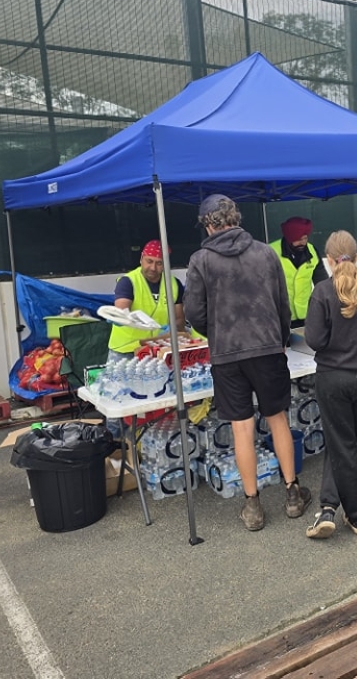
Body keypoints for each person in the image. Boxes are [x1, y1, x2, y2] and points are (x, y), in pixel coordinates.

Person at [185, 195, 311, 532]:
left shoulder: (201, 260)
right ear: (235, 218)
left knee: (241, 427)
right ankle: (293, 495)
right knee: (278, 419)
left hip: (228, 354)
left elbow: (195, 314)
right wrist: (279, 338)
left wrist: (217, 331)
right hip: (268, 348)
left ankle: (253, 506)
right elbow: (282, 305)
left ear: (208, 224)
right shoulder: (266, 253)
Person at [303, 231, 357, 539]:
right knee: (343, 442)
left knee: (342, 444)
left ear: (328, 259)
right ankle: (327, 506)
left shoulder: (323, 292)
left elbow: (314, 339)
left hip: (332, 376)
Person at [105, 239, 185, 437]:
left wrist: (174, 330)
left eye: (159, 263)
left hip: (155, 352)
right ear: (141, 259)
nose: (153, 267)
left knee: (153, 399)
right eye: (149, 261)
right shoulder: (129, 281)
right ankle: (114, 443)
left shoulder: (174, 284)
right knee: (118, 399)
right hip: (125, 351)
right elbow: (122, 308)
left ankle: (143, 440)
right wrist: (122, 317)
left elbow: (179, 318)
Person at [270, 216, 328, 328]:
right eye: (298, 239)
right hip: (280, 317)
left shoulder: (312, 251)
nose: (303, 242)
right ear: (289, 237)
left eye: (305, 238)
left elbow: (322, 283)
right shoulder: (271, 252)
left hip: (308, 316)